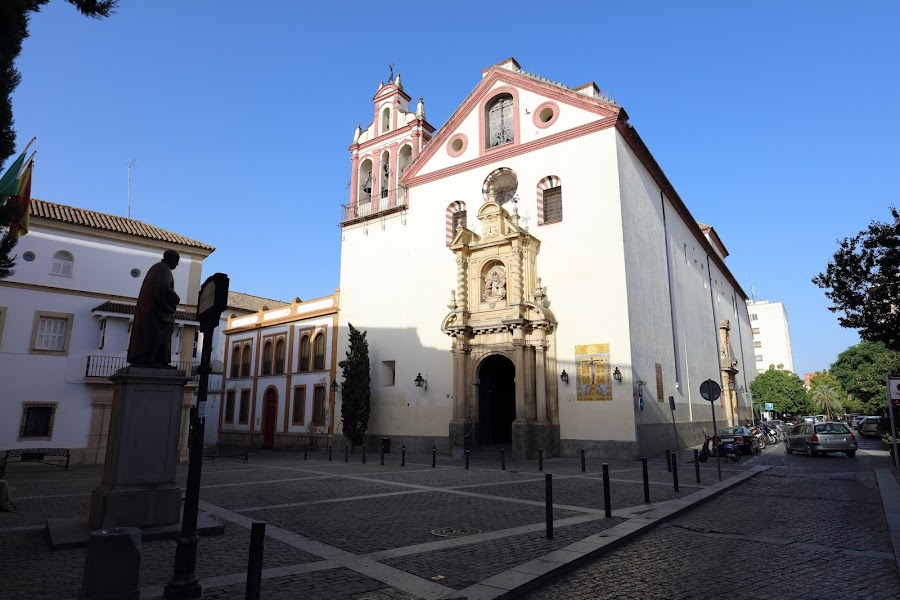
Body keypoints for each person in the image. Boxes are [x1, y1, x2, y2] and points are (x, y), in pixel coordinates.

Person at [127, 250, 180, 367]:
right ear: (170, 259)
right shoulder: (164, 270)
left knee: (157, 333)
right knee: (165, 329)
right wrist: (169, 305)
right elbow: (161, 289)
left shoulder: (157, 268)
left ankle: (158, 358)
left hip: (151, 309)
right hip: (156, 311)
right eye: (176, 261)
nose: (177, 264)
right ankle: (155, 358)